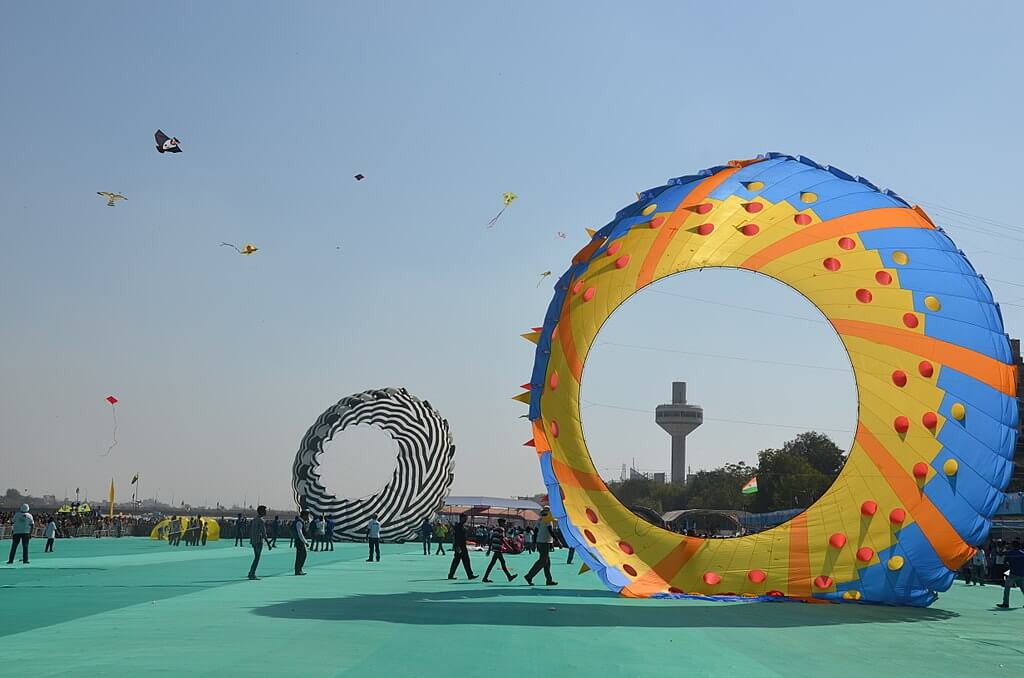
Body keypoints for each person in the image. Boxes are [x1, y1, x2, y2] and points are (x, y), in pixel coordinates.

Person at [524, 506, 558, 586]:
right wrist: (557, 540)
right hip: (545, 542)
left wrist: (534, 542)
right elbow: (550, 531)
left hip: (540, 542)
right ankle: (529, 576)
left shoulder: (539, 520)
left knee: (547, 562)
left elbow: (535, 532)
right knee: (543, 561)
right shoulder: (548, 520)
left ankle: (549, 580)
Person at [483, 518, 518, 583]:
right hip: (498, 548)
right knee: (497, 563)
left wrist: (489, 549)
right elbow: (502, 539)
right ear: (501, 523)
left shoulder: (495, 529)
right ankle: (485, 578)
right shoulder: (501, 529)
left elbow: (491, 539)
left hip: (495, 547)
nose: (505, 524)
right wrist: (509, 547)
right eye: (504, 523)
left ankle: (509, 576)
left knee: (499, 563)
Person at [447, 514, 477, 580]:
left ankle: (470, 575)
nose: (466, 520)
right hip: (459, 546)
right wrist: (457, 546)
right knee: (456, 561)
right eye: (465, 518)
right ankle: (451, 575)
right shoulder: (458, 526)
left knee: (466, 561)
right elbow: (457, 537)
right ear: (461, 518)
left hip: (463, 546)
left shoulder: (461, 526)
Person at [996, 539, 1024, 608]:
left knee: (1007, 589)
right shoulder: (1022, 553)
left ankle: (1006, 603)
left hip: (1013, 574)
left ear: (1013, 545)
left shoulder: (1010, 553)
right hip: (1022, 574)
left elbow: (1005, 562)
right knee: (1023, 589)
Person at [248, 505, 271, 580]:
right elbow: (264, 533)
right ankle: (252, 573)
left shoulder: (254, 519)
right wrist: (268, 544)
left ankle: (251, 572)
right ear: (261, 511)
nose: (265, 512)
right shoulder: (261, 520)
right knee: (257, 558)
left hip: (253, 541)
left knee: (256, 557)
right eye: (264, 511)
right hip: (258, 541)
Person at [293, 510, 310, 575]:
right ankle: (298, 570)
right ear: (304, 515)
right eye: (307, 515)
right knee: (301, 555)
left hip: (300, 541)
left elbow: (305, 530)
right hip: (299, 541)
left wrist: (308, 523)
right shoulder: (299, 522)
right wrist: (305, 541)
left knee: (301, 555)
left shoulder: (302, 522)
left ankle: (299, 569)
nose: (307, 517)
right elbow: (300, 533)